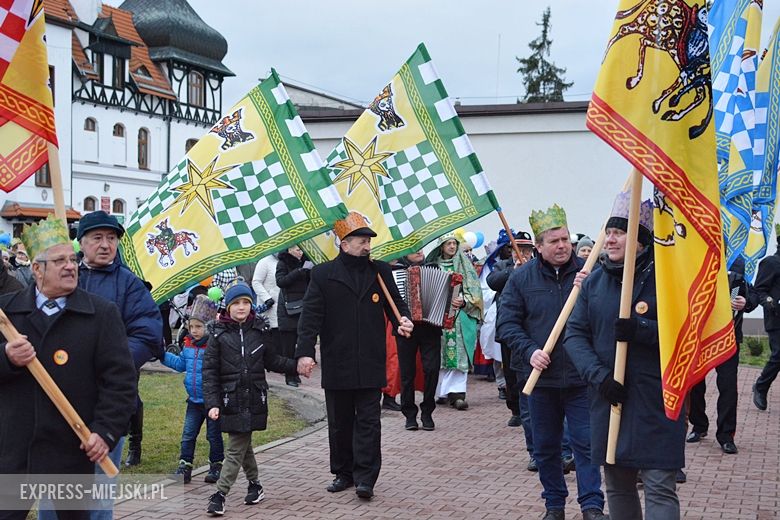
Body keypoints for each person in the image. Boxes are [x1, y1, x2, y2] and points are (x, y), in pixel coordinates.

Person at [0, 216, 137, 520]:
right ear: (37, 269)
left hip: (71, 451)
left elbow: (120, 382)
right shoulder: (7, 314)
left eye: (72, 260)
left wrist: (105, 431)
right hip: (14, 450)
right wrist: (7, 356)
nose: (70, 267)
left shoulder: (101, 314)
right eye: (59, 261)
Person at [564, 192, 685, 519]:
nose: (610, 239)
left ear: (641, 240)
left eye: (619, 232)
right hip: (610, 398)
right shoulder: (594, 283)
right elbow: (574, 335)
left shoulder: (667, 279)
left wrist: (641, 329)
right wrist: (599, 377)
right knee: (617, 484)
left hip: (656, 400)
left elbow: (686, 333)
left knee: (659, 484)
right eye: (609, 232)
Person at [497, 204, 606, 520]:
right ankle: (554, 506)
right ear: (539, 246)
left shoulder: (591, 273)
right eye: (554, 241)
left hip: (581, 377)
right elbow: (507, 324)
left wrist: (592, 290)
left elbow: (608, 315)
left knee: (586, 444)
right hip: (539, 379)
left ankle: (592, 506)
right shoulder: (521, 278)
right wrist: (529, 350)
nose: (562, 246)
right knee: (546, 447)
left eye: (565, 239)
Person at [295, 212, 413, 500]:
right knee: (340, 421)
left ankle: (366, 478)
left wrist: (404, 321)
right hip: (338, 360)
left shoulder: (379, 272)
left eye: (368, 242)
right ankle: (343, 473)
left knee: (369, 421)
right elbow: (310, 318)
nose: (367, 247)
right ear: (344, 243)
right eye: (361, 242)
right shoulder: (322, 275)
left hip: (371, 359)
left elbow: (397, 306)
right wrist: (305, 353)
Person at [203, 281, 300, 516]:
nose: (241, 307)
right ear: (228, 306)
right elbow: (210, 372)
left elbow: (272, 360)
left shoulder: (259, 331)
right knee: (240, 445)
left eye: (245, 302)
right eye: (236, 303)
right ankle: (251, 486)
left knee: (237, 445)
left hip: (254, 398)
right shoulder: (217, 334)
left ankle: (221, 493)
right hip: (230, 399)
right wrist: (213, 403)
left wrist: (295, 365)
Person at [76, 210, 163, 471]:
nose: (105, 245)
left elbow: (147, 334)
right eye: (97, 237)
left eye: (111, 238)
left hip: (108, 395)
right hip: (65, 395)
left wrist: (112, 361)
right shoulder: (66, 276)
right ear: (82, 242)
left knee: (100, 484)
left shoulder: (129, 284)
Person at [687, 256, 757, 453]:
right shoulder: (699, 257)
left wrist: (746, 302)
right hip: (701, 338)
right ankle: (699, 426)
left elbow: (753, 293)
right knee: (695, 384)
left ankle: (726, 435)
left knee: (728, 387)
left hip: (728, 338)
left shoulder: (737, 262)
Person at [162, 295, 224, 484]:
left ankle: (216, 465)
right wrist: (161, 355)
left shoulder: (214, 346)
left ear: (209, 326)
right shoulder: (188, 345)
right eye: (191, 327)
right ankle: (185, 466)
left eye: (199, 326)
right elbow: (181, 364)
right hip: (194, 401)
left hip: (212, 402)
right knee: (188, 436)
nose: (194, 331)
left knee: (213, 436)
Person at [427, 233, 483, 410]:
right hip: (438, 319)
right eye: (448, 243)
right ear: (441, 247)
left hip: (460, 318)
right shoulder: (432, 266)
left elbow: (475, 291)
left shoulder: (465, 266)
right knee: (439, 354)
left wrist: (464, 300)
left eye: (454, 243)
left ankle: (458, 394)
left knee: (459, 355)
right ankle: (442, 392)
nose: (452, 246)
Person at [394, 249, 443, 431]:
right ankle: (409, 414)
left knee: (432, 369)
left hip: (431, 327)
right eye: (414, 250)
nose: (419, 252)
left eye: (420, 248)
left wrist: (457, 302)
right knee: (407, 373)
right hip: (406, 329)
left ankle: (427, 411)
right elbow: (391, 301)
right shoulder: (397, 272)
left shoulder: (434, 268)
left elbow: (448, 296)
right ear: (405, 253)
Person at [752, 231, 780, 411]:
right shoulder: (771, 262)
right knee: (779, 355)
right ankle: (761, 387)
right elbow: (759, 290)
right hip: (776, 318)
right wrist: (771, 303)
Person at [276, 245, 310, 387]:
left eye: (301, 250)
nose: (300, 253)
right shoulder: (283, 263)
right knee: (288, 346)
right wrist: (297, 272)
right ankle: (290, 375)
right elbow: (281, 281)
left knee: (300, 343)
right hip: (288, 309)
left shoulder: (306, 263)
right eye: (297, 249)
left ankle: (297, 372)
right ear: (289, 250)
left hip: (303, 307)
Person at [251, 253, 280, 332]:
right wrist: (267, 298)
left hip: (284, 309)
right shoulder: (264, 262)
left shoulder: (286, 261)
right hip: (269, 308)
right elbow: (256, 282)